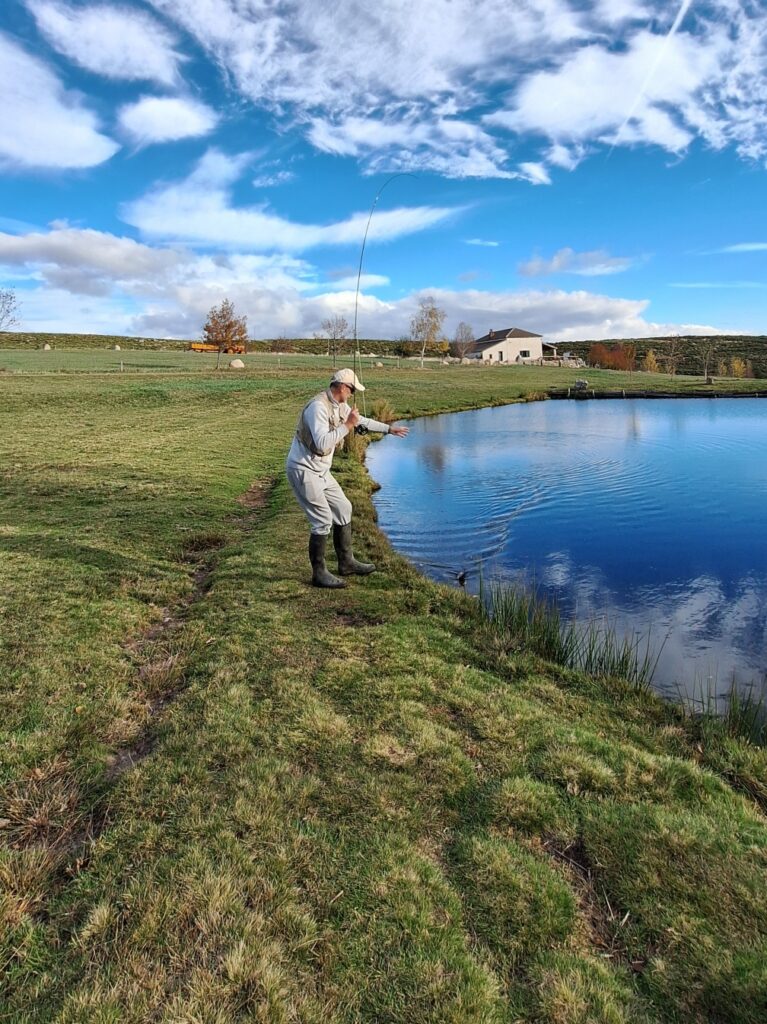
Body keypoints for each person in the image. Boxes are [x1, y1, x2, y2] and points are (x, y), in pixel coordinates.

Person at [286, 368, 409, 588]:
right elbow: (323, 443)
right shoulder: (317, 408)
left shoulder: (339, 406)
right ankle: (319, 573)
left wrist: (389, 429)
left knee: (344, 508)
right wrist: (348, 425)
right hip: (303, 469)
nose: (352, 394)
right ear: (343, 387)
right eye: (352, 389)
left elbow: (363, 422)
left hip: (321, 471)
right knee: (322, 520)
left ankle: (346, 562)